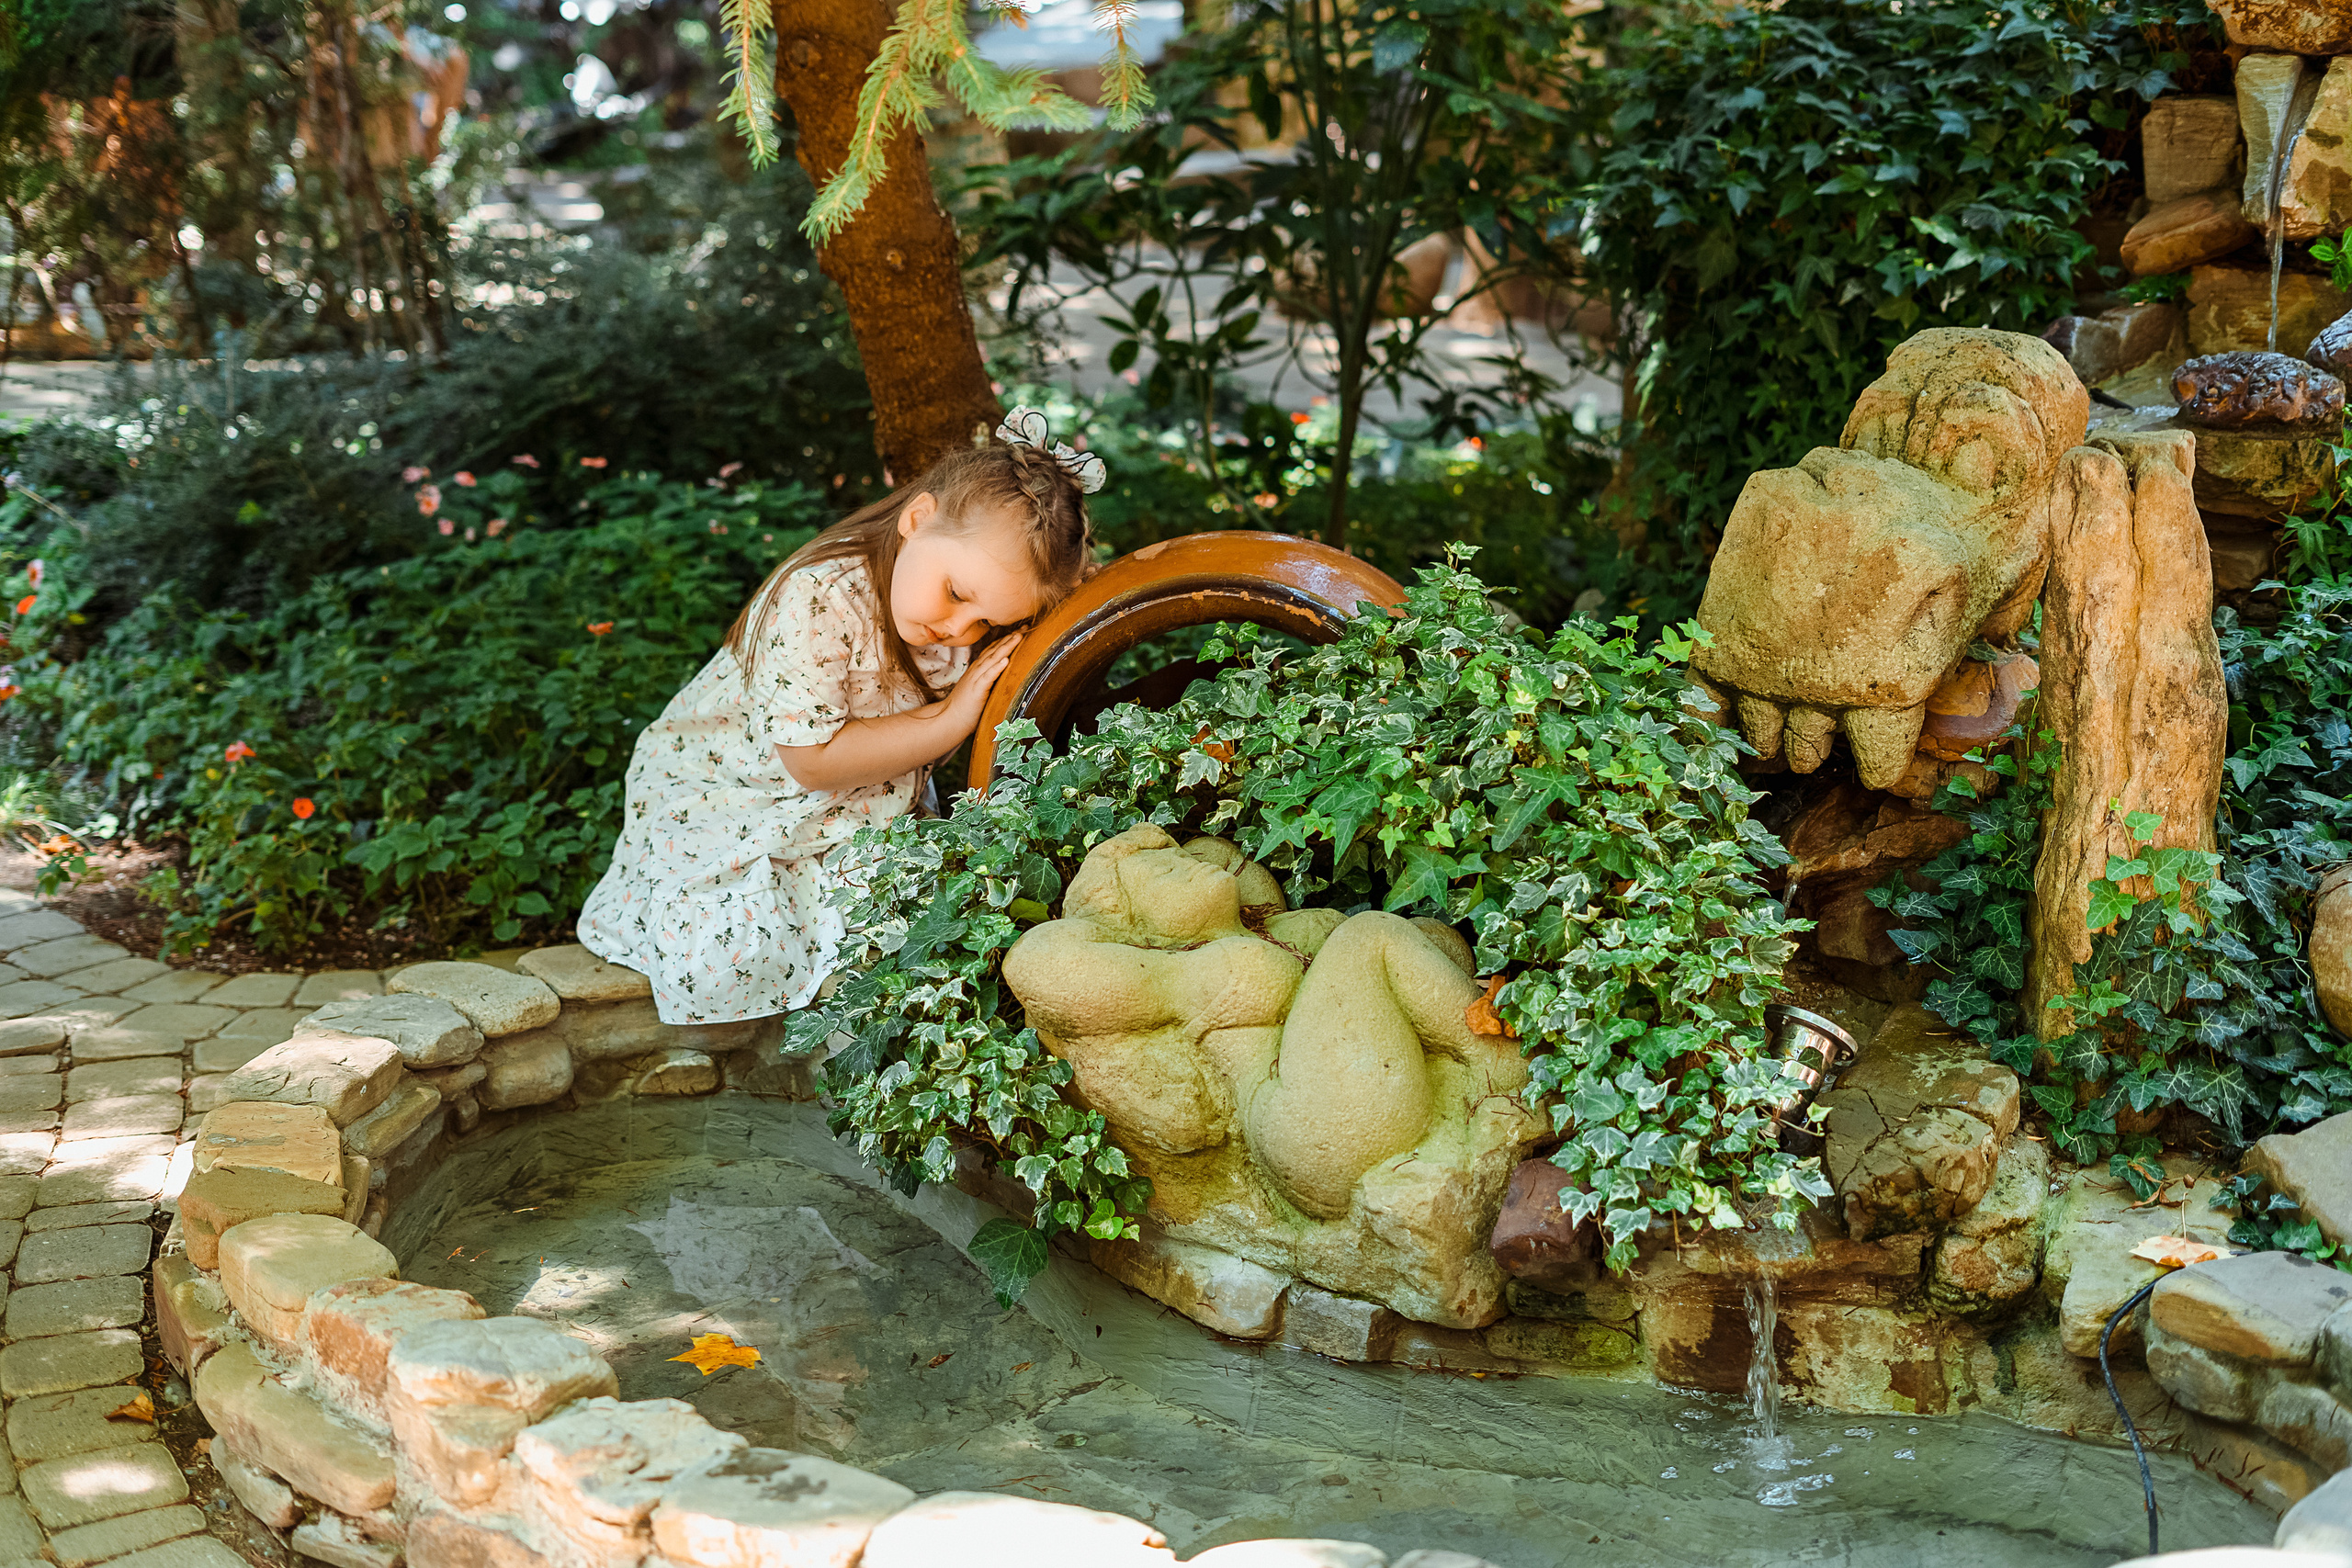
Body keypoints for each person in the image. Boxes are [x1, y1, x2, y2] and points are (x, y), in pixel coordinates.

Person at [577, 409, 1105, 1025]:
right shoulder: (819, 598)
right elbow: (812, 761)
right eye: (957, 594)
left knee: (925, 915)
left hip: (858, 802)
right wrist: (949, 719)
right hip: (742, 794)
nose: (960, 629)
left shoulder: (962, 597)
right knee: (727, 952)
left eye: (987, 620)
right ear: (916, 520)